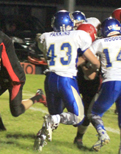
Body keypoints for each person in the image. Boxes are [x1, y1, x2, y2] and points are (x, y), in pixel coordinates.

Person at [34, 10, 100, 151]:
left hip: (50, 79)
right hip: (66, 80)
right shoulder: (78, 35)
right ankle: (52, 122)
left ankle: (40, 139)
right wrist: (94, 66)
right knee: (78, 117)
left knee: (56, 115)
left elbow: (46, 55)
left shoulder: (46, 37)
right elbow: (94, 62)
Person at [0, 14, 47, 131]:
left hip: (15, 77)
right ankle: (1, 128)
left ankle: (38, 97)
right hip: (4, 74)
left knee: (16, 111)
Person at [88, 17, 121, 152]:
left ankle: (102, 134)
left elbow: (86, 56)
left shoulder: (100, 42)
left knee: (93, 113)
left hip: (111, 81)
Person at [73, 23, 101, 149]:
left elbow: (91, 76)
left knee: (87, 112)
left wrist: (81, 64)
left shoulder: (94, 48)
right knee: (59, 106)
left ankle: (79, 138)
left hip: (90, 83)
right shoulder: (73, 46)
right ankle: (45, 130)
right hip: (76, 79)